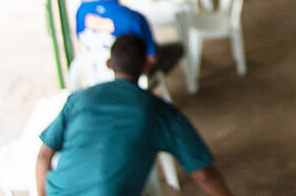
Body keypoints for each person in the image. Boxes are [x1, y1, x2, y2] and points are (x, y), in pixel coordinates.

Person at [36, 34, 233, 196]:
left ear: (109, 64)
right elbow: (204, 174)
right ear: (147, 66)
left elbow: (43, 157)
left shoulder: (79, 99)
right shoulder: (159, 111)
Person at [76, 0, 183, 75]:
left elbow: (80, 36)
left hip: (96, 68)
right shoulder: (134, 19)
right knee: (178, 48)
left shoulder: (83, 10)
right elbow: (152, 58)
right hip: (130, 74)